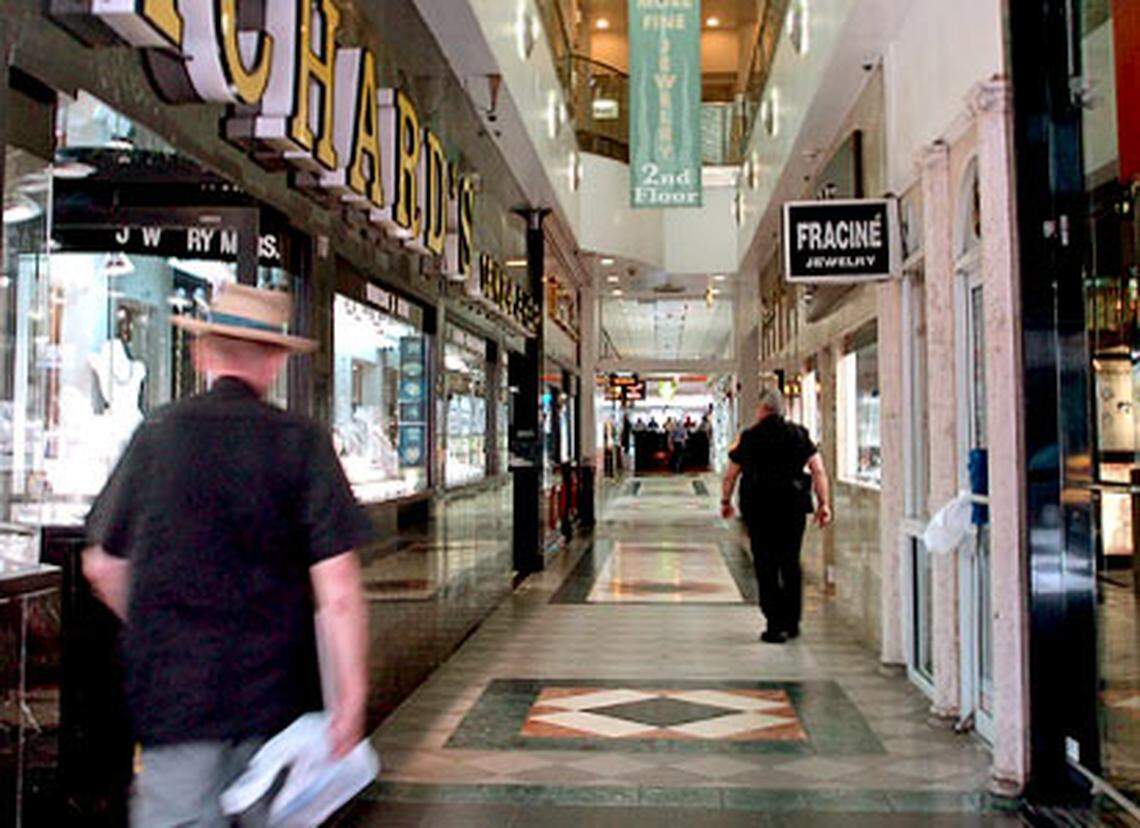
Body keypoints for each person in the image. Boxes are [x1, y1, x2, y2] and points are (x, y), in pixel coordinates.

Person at [82, 284, 375, 826]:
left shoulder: (158, 434)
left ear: (202, 354)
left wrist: (159, 625)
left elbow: (103, 564)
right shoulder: (301, 442)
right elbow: (338, 593)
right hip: (277, 703)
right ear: (277, 362)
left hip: (175, 699)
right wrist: (350, 700)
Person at [721, 387, 831, 644]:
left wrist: (725, 501)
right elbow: (818, 470)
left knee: (766, 563)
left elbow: (731, 474)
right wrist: (824, 503)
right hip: (792, 508)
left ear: (763, 409)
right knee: (790, 561)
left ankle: (774, 623)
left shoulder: (749, 437)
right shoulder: (799, 434)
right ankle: (792, 621)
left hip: (759, 509)